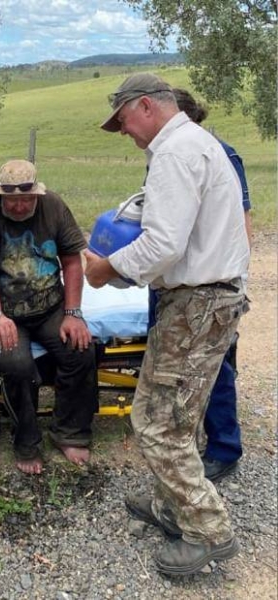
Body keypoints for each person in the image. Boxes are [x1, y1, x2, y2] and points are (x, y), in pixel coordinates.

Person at [85, 72, 250, 576]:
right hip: (207, 301)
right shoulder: (196, 144)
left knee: (158, 424)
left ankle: (207, 530)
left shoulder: (175, 154)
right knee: (174, 415)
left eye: (125, 123)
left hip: (194, 306)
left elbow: (164, 245)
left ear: (146, 107)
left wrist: (105, 267)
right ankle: (169, 505)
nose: (127, 134)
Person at [0, 159, 98, 475]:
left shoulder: (53, 205)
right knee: (17, 366)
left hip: (49, 304)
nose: (21, 206)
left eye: (27, 199)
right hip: (4, 309)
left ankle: (70, 432)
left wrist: (73, 313)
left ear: (37, 193)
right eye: (12, 200)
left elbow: (72, 261)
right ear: (1, 196)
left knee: (81, 350)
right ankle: (26, 442)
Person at [167, 88, 252, 481]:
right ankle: (189, 441)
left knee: (217, 366)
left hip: (214, 284)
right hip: (180, 285)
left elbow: (240, 222)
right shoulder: (171, 154)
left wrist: (238, 281)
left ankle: (224, 447)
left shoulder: (220, 155)